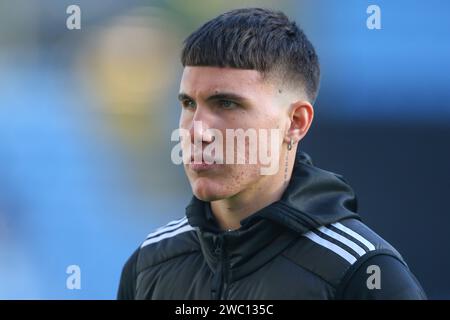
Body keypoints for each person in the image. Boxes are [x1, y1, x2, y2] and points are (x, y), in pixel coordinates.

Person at [117, 7, 426, 299]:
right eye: (188, 104)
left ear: (295, 122)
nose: (197, 130)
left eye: (226, 104)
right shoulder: (148, 265)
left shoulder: (363, 274)